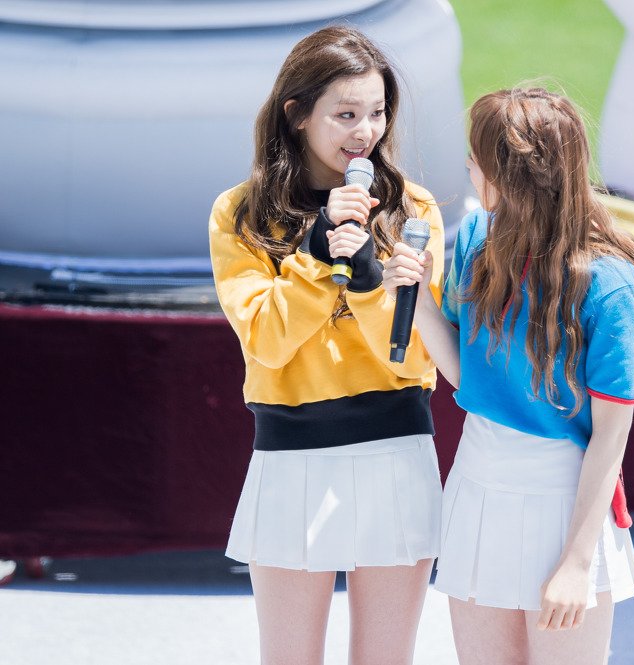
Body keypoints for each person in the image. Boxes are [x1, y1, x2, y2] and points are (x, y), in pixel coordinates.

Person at [383, 87, 634, 665]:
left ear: (510, 177)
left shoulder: (612, 287)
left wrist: (577, 562)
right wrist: (417, 302)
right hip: (477, 485)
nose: (469, 169)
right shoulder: (476, 239)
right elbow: (471, 379)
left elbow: (611, 437)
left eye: (477, 160)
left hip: (563, 502)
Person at [208, 26, 445, 665]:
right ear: (298, 114)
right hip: (292, 454)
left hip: (394, 449)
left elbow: (412, 354)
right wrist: (316, 256)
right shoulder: (240, 213)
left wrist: (368, 284)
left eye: (377, 112)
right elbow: (266, 340)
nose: (365, 131)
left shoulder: (413, 209)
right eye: (345, 114)